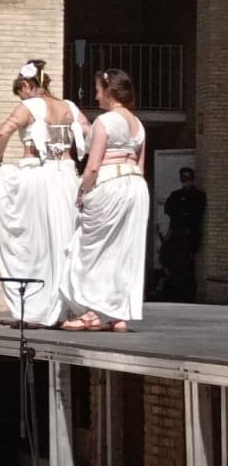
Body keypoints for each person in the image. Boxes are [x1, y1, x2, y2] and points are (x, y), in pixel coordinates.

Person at [0, 60, 86, 326]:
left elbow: (3, 131)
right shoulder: (70, 107)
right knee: (64, 237)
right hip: (66, 176)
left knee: (33, 240)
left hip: (37, 176)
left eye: (21, 92)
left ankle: (35, 307)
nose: (21, 97)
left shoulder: (29, 106)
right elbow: (90, 132)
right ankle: (64, 305)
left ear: (27, 85)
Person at [62, 68, 149, 331]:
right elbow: (141, 165)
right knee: (126, 250)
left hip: (109, 183)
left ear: (109, 91)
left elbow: (93, 166)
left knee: (91, 249)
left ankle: (91, 312)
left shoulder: (105, 122)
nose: (96, 95)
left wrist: (83, 192)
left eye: (98, 90)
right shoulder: (139, 124)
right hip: (136, 185)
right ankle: (119, 314)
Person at [160, 167, 206, 302]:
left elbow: (195, 212)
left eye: (188, 179)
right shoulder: (175, 195)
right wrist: (180, 213)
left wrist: (183, 214)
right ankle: (173, 288)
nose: (185, 182)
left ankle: (184, 293)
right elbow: (169, 209)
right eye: (183, 179)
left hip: (189, 233)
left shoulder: (198, 195)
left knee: (184, 263)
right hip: (175, 231)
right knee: (166, 257)